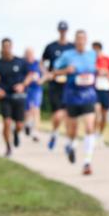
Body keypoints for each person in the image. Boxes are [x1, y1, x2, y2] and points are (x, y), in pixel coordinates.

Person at [52, 30, 100, 175]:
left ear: (86, 40)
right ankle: (70, 145)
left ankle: (87, 162)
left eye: (83, 39)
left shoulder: (92, 54)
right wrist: (66, 70)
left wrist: (100, 72)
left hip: (88, 94)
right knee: (72, 130)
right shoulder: (67, 55)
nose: (80, 41)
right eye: (78, 39)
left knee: (90, 126)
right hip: (72, 95)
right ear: (75, 40)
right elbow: (54, 71)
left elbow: (96, 69)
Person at [0, 38, 33, 157]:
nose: (7, 49)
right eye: (4, 46)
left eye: (8, 46)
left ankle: (16, 133)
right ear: (2, 48)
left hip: (19, 97)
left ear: (11, 47)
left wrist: (23, 85)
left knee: (19, 125)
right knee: (7, 122)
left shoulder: (20, 61)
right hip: (5, 98)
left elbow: (30, 75)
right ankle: (8, 147)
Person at [43, 20, 73, 151]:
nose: (63, 32)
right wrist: (46, 73)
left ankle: (68, 142)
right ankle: (54, 133)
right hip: (55, 84)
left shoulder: (72, 47)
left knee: (67, 114)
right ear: (58, 30)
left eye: (64, 30)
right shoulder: (51, 47)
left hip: (68, 84)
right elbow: (41, 62)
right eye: (61, 30)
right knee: (57, 114)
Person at [93, 41, 109, 142]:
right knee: (97, 114)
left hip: (106, 89)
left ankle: (100, 134)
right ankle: (93, 133)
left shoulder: (108, 59)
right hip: (95, 89)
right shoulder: (92, 60)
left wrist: (106, 72)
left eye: (95, 49)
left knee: (105, 116)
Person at [24, 47, 43, 141]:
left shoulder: (38, 63)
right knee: (27, 110)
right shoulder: (23, 64)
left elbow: (46, 74)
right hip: (25, 89)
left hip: (36, 89)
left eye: (30, 54)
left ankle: (36, 132)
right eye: (27, 54)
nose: (28, 56)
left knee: (36, 109)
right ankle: (27, 124)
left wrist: (41, 80)